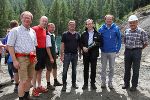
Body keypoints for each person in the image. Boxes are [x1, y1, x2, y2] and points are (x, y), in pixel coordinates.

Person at [7, 11, 37, 100]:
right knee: (23, 81)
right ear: (21, 18)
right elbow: (10, 46)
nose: (27, 19)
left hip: (31, 57)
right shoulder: (15, 30)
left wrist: (35, 57)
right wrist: (15, 60)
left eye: (29, 18)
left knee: (30, 78)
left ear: (31, 20)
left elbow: (34, 45)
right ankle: (21, 98)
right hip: (21, 58)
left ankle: (26, 96)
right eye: (25, 17)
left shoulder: (33, 31)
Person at [122, 15, 148, 91]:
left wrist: (139, 49)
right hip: (127, 51)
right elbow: (125, 41)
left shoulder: (142, 31)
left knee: (136, 69)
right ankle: (126, 84)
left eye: (133, 23)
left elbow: (146, 43)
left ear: (137, 22)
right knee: (127, 69)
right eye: (130, 23)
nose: (132, 24)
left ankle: (134, 86)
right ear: (129, 23)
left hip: (137, 51)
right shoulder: (126, 31)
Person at [98, 14, 121, 89]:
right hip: (104, 51)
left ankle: (110, 82)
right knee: (103, 67)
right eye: (107, 19)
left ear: (112, 20)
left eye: (110, 19)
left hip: (112, 51)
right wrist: (100, 48)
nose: (109, 21)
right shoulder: (101, 28)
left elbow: (119, 39)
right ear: (105, 20)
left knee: (112, 67)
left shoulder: (116, 28)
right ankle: (103, 82)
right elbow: (98, 39)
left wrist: (118, 48)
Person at [81, 19, 101, 90]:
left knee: (93, 69)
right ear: (86, 25)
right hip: (86, 54)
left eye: (90, 24)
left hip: (94, 54)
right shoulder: (83, 34)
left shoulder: (98, 33)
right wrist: (83, 47)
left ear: (93, 24)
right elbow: (81, 43)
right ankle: (85, 83)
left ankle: (93, 83)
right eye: (88, 24)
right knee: (85, 69)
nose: (89, 25)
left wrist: (91, 46)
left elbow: (99, 43)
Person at [60, 20, 80, 91]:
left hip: (75, 55)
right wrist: (61, 55)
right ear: (68, 26)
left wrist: (80, 54)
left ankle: (73, 84)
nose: (72, 26)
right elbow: (62, 45)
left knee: (74, 70)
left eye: (73, 24)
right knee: (65, 70)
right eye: (70, 24)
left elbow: (78, 45)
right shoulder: (65, 34)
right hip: (67, 55)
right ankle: (64, 85)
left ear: (75, 26)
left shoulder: (78, 34)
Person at [32, 16, 49, 97]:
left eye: (46, 21)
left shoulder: (45, 30)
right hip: (36, 51)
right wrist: (33, 53)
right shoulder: (34, 29)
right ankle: (34, 89)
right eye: (43, 21)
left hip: (43, 51)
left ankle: (39, 86)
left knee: (40, 70)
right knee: (35, 71)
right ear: (40, 20)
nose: (44, 22)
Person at [3, 20, 19, 92]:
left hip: (10, 55)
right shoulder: (17, 32)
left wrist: (8, 51)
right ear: (17, 25)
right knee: (19, 70)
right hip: (17, 55)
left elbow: (6, 46)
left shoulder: (8, 34)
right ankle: (18, 85)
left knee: (14, 70)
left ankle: (16, 85)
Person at [46, 23, 62, 90]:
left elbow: (54, 45)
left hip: (54, 55)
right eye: (51, 27)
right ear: (48, 28)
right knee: (49, 70)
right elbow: (47, 47)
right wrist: (51, 57)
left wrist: (56, 54)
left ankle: (55, 81)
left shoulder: (53, 35)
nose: (53, 28)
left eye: (53, 27)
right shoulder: (47, 36)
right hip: (49, 56)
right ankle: (48, 84)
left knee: (55, 68)